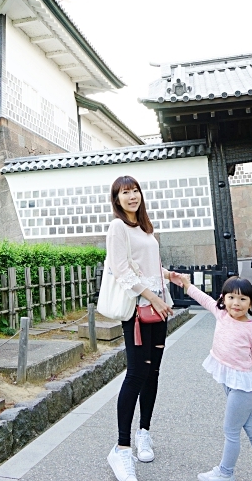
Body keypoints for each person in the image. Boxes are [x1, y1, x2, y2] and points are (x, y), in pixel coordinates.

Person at [169, 273, 252, 481]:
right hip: (228, 381)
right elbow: (203, 298)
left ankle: (225, 473)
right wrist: (186, 284)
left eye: (242, 299)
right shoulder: (221, 315)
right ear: (223, 299)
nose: (236, 303)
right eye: (231, 297)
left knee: (231, 431)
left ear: (251, 303)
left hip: (243, 387)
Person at [105, 175, 174, 481]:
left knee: (152, 373)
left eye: (135, 191)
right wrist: (151, 297)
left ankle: (144, 432)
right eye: (125, 193)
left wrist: (167, 275)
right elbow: (120, 269)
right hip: (137, 309)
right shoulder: (117, 227)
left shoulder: (145, 228)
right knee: (135, 374)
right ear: (117, 199)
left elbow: (145, 267)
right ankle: (121, 449)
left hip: (157, 306)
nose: (132, 196)